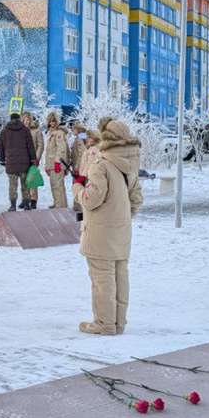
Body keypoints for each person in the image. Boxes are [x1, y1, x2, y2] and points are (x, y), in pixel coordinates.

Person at [71, 118, 143, 336]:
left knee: (102, 279)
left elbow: (90, 199)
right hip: (121, 231)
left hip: (101, 232)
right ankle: (118, 323)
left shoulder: (101, 165)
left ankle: (104, 324)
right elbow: (137, 199)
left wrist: (77, 188)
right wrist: (121, 218)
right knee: (120, 276)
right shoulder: (131, 166)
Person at [0, 113, 37, 212]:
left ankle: (13, 205)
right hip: (24, 163)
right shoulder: (25, 130)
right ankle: (27, 205)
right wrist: (33, 159)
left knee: (12, 185)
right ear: (19, 119)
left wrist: (2, 160)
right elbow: (30, 146)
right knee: (25, 184)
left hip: (11, 163)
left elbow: (1, 147)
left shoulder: (4, 131)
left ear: (10, 119)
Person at [44, 111, 69, 209]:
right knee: (54, 185)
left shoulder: (59, 133)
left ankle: (61, 205)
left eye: (53, 121)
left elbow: (61, 148)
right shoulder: (51, 133)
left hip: (56, 163)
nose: (52, 123)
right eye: (50, 121)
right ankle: (57, 202)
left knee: (58, 185)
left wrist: (57, 162)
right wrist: (47, 165)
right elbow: (50, 151)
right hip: (51, 164)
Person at [22, 113, 44, 210]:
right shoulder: (21, 131)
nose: (26, 122)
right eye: (24, 120)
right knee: (23, 180)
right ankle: (25, 199)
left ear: (31, 120)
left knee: (32, 179)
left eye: (28, 119)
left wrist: (37, 157)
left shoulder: (36, 131)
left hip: (32, 159)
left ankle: (33, 200)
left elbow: (40, 145)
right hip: (22, 158)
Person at [70, 122, 88, 211]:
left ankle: (78, 205)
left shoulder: (80, 139)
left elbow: (81, 153)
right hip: (77, 165)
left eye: (74, 128)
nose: (72, 130)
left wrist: (77, 167)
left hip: (79, 167)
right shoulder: (81, 138)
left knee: (78, 184)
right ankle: (77, 204)